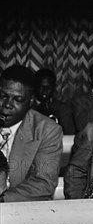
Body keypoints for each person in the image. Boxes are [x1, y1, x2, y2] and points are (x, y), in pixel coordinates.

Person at [0, 65, 63, 202]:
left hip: (21, 211)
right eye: (2, 96)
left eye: (18, 100)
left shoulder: (47, 130)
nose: (7, 104)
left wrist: (3, 199)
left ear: (31, 101)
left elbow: (43, 184)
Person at [32, 68, 75, 135]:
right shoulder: (27, 107)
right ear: (35, 86)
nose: (45, 91)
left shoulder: (62, 108)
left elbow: (69, 134)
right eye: (42, 87)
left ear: (54, 87)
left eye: (48, 87)